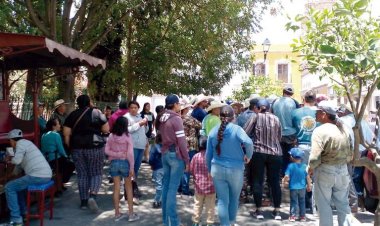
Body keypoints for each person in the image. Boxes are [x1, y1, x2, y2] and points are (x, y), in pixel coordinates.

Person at [308, 101, 354, 226]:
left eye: (317, 112)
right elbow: (351, 152)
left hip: (325, 170)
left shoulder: (320, 130)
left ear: (324, 114)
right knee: (343, 205)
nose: (315, 114)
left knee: (324, 206)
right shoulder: (344, 128)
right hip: (343, 170)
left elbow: (315, 156)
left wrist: (310, 169)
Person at [206, 105, 253, 226]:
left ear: (219, 117)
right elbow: (248, 142)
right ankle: (231, 222)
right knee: (234, 199)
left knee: (222, 200)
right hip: (236, 170)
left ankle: (225, 224)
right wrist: (248, 156)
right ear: (233, 117)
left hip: (217, 169)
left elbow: (208, 154)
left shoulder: (213, 131)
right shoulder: (237, 129)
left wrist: (209, 170)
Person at [63, 94, 109, 212]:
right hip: (95, 147)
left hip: (77, 148)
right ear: (89, 102)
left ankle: (83, 202)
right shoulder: (97, 113)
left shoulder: (72, 115)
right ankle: (92, 196)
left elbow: (66, 134)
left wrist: (71, 146)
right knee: (96, 172)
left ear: (78, 103)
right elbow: (106, 129)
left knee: (82, 174)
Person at [244, 99, 283, 220]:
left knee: (257, 181)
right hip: (275, 153)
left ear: (258, 107)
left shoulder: (255, 117)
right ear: (269, 107)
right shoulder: (276, 118)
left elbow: (245, 132)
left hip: (259, 152)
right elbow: (279, 136)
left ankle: (259, 210)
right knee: (275, 182)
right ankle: (277, 211)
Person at [5, 129, 52, 226]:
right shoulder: (27, 143)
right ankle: (24, 213)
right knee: (18, 187)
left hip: (37, 176)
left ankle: (16, 219)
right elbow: (18, 167)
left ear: (12, 140)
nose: (10, 143)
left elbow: (17, 161)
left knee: (9, 187)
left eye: (10, 141)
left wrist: (8, 159)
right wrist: (9, 176)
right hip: (46, 175)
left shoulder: (20, 144)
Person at [159, 94, 190, 226]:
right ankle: (174, 222)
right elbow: (182, 141)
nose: (180, 105)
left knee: (166, 188)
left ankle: (166, 221)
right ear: (175, 104)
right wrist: (187, 159)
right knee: (172, 189)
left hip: (165, 153)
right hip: (175, 155)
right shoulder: (176, 119)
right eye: (179, 103)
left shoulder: (162, 117)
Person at [337, 103, 374, 212]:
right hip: (362, 152)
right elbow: (369, 138)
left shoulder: (342, 121)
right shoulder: (362, 121)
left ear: (346, 110)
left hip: (348, 152)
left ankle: (355, 203)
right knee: (358, 179)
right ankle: (359, 203)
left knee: (350, 178)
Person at [104, 116, 139, 222]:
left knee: (116, 189)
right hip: (125, 163)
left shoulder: (111, 136)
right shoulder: (128, 136)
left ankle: (117, 213)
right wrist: (132, 167)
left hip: (114, 163)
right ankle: (131, 214)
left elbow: (106, 150)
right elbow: (130, 154)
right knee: (128, 188)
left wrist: (116, 154)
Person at [291, 90, 318, 211]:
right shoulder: (320, 113)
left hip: (300, 147)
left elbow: (292, 129)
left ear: (303, 99)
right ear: (315, 100)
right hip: (317, 147)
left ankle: (302, 206)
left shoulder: (296, 113)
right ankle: (314, 205)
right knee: (315, 176)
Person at [124, 101, 148, 204]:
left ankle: (132, 190)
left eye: (135, 107)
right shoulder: (126, 118)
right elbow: (127, 130)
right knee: (130, 170)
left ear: (138, 108)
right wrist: (139, 124)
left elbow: (144, 130)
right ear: (129, 108)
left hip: (141, 146)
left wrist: (144, 124)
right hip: (131, 146)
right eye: (132, 107)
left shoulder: (139, 117)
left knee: (136, 170)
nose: (134, 109)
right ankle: (130, 193)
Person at [41, 118, 74, 191]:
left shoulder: (44, 135)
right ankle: (62, 182)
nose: (60, 126)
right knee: (71, 165)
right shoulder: (56, 135)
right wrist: (66, 156)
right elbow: (61, 149)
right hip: (55, 159)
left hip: (46, 159)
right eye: (58, 124)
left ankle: (60, 185)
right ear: (53, 126)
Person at [272, 87, 298, 174]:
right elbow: (296, 119)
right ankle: (287, 174)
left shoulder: (275, 102)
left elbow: (271, 116)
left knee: (280, 154)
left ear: (283, 92)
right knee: (290, 155)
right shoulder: (294, 102)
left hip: (277, 133)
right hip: (291, 133)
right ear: (292, 94)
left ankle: (281, 173)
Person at [190, 136, 216, 226]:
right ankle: (209, 223)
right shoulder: (213, 157)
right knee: (210, 207)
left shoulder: (195, 156)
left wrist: (195, 179)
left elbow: (191, 170)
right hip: (211, 187)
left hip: (199, 187)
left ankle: (195, 222)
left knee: (197, 205)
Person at [282, 148, 312, 222]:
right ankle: (302, 217)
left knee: (293, 201)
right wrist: (309, 185)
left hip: (293, 188)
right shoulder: (304, 166)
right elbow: (308, 177)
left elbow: (286, 176)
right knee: (302, 201)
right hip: (302, 188)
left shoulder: (290, 166)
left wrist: (284, 183)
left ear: (292, 157)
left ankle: (293, 216)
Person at [179, 101, 201, 196]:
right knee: (187, 167)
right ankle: (185, 188)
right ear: (185, 109)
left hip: (180, 144)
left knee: (182, 166)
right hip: (190, 144)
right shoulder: (188, 118)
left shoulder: (177, 118)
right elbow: (200, 124)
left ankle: (180, 186)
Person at [149, 134, 164, 209]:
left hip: (157, 168)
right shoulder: (167, 147)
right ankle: (162, 200)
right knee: (164, 184)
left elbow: (151, 158)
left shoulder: (154, 146)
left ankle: (156, 200)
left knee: (159, 185)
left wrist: (151, 165)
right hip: (166, 167)